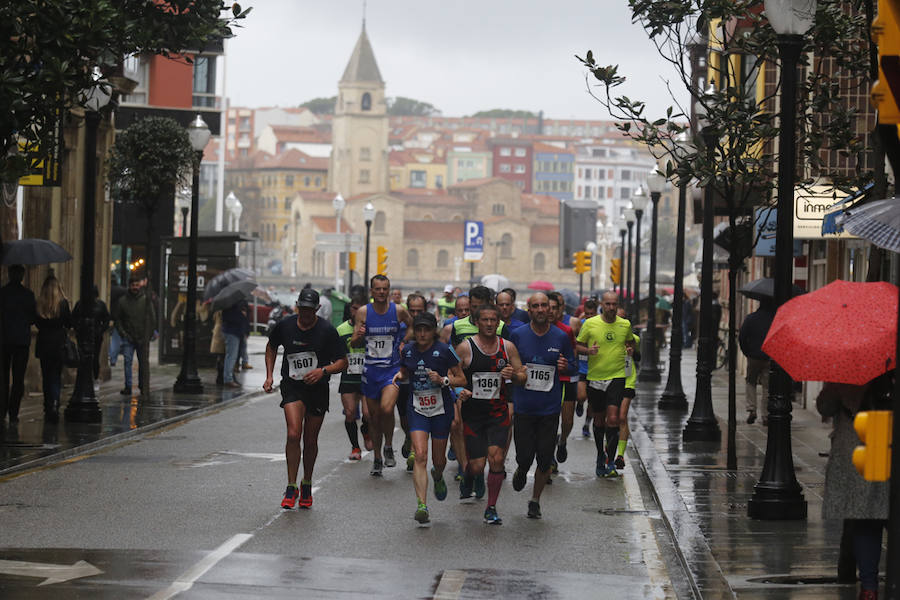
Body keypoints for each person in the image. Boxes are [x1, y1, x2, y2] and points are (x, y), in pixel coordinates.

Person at [264, 288, 348, 509]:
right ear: (297, 306)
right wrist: (270, 375)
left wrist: (323, 371)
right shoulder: (285, 326)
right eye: (303, 309)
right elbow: (271, 347)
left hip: (317, 389)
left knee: (310, 441)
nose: (306, 313)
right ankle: (291, 486)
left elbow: (342, 361)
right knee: (294, 433)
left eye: (310, 310)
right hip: (292, 386)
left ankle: (307, 482)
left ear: (317, 309)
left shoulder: (327, 330)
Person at [816, 374, 892, 600]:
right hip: (882, 435)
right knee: (877, 514)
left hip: (862, 439)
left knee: (867, 517)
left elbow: (825, 407)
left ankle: (869, 587)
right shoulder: (888, 364)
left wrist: (833, 385)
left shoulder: (848, 370)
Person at [454, 303, 525, 525]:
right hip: (473, 414)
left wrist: (513, 375)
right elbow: (451, 374)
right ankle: (469, 475)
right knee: (477, 466)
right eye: (485, 320)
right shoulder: (466, 348)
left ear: (498, 323)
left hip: (498, 413)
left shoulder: (508, 347)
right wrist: (459, 390)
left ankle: (491, 507)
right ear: (477, 322)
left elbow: (523, 376)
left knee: (496, 460)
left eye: (493, 320)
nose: (489, 324)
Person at [394, 312, 466, 526]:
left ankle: (438, 475)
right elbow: (405, 371)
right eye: (419, 329)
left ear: (434, 331)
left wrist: (443, 379)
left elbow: (461, 377)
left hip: (441, 409)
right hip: (417, 408)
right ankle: (422, 505)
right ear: (414, 331)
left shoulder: (445, 350)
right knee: (420, 456)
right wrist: (401, 376)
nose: (422, 333)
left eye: (426, 329)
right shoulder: (407, 351)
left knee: (438, 460)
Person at [509, 293, 575, 518]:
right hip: (524, 407)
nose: (539, 309)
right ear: (529, 309)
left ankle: (535, 500)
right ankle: (521, 468)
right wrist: (515, 374)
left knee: (545, 458)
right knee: (525, 456)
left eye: (543, 306)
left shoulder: (561, 336)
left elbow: (573, 366)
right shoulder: (517, 335)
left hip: (549, 408)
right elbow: (508, 365)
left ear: (550, 309)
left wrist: (567, 366)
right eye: (535, 305)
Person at [351, 275, 412, 476]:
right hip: (371, 371)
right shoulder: (363, 312)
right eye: (378, 289)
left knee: (387, 409)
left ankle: (388, 446)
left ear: (389, 290)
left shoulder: (398, 311)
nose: (382, 292)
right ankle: (377, 457)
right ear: (372, 291)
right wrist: (359, 335)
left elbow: (412, 325)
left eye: (385, 288)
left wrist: (404, 342)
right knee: (373, 417)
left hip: (392, 370)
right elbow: (354, 343)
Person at [575, 291, 635, 477]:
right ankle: (600, 455)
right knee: (599, 420)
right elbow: (577, 345)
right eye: (607, 304)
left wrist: (631, 349)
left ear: (618, 305)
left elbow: (631, 341)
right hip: (595, 377)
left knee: (614, 418)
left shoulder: (625, 324)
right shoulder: (591, 324)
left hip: (617, 377)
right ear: (602, 304)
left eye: (614, 304)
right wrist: (588, 351)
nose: (610, 307)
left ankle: (610, 460)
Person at [0, 265, 36, 425]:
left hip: (4, 340)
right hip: (21, 341)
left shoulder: (2, 293)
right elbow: (33, 318)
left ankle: (2, 411)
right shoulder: (28, 295)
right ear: (22, 276)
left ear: (8, 275)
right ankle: (14, 412)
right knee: (18, 378)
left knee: (2, 377)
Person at [337, 292, 371, 460]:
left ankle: (366, 430)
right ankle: (355, 447)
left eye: (360, 309)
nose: (356, 312)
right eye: (354, 308)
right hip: (349, 377)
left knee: (367, 414)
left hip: (367, 378)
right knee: (350, 413)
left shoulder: (372, 328)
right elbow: (336, 353)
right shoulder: (342, 329)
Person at [34, 273, 72, 422]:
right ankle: (55, 403)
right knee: (56, 376)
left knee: (46, 376)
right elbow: (69, 323)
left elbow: (36, 323)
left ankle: (48, 405)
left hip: (44, 343)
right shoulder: (63, 304)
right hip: (58, 344)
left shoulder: (40, 304)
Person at [547, 291, 578, 466]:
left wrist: (567, 365)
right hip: (547, 383)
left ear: (560, 310)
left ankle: (563, 440)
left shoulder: (566, 330)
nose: (550, 311)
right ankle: (548, 457)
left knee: (567, 421)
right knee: (551, 419)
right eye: (547, 307)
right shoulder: (535, 328)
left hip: (567, 380)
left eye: (554, 308)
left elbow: (573, 360)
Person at [398, 292, 428, 470]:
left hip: (425, 382)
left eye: (420, 311)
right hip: (405, 379)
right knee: (404, 417)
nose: (416, 315)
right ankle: (409, 437)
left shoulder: (431, 328)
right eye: (412, 311)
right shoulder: (400, 327)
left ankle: (416, 453)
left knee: (421, 417)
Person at [112, 274, 155, 396]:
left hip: (142, 337)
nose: (135, 287)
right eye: (133, 285)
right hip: (128, 338)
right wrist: (123, 334)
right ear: (129, 286)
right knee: (127, 362)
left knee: (143, 363)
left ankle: (142, 385)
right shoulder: (123, 301)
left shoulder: (145, 300)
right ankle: (128, 386)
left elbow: (152, 319)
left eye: (137, 285)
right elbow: (118, 319)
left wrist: (148, 335)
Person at [613, 306, 641, 470]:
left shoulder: (634, 339)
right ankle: (607, 449)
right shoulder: (606, 336)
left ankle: (620, 455)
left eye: (623, 319)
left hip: (627, 380)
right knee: (611, 418)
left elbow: (639, 357)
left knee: (622, 417)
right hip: (609, 378)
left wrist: (631, 352)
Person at [739, 300, 775, 425]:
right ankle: (765, 415)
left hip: (753, 356)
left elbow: (742, 337)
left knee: (750, 382)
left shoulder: (750, 318)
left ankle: (751, 409)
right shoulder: (773, 319)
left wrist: (747, 352)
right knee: (767, 387)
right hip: (768, 356)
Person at [73, 285, 111, 389]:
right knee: (82, 358)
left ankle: (95, 378)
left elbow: (107, 319)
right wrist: (78, 329)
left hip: (96, 336)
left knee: (95, 358)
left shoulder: (100, 305)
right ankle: (83, 379)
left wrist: (100, 330)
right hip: (83, 336)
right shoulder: (80, 304)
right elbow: (74, 318)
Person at [574, 298, 599, 437]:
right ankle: (579, 402)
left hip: (595, 368)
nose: (589, 317)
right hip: (582, 367)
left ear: (596, 313)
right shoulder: (581, 324)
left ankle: (587, 424)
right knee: (582, 395)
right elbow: (573, 341)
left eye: (592, 314)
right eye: (587, 314)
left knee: (593, 403)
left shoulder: (600, 325)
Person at [222, 300, 250, 389]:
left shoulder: (236, 304)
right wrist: (242, 315)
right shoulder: (229, 305)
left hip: (236, 332)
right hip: (232, 332)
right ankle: (228, 379)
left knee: (233, 356)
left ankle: (230, 378)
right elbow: (229, 317)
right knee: (231, 356)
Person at [108, 274, 126, 367]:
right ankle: (113, 358)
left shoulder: (107, 290)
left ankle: (110, 354)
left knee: (108, 338)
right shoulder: (121, 291)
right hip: (117, 317)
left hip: (108, 316)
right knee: (116, 339)